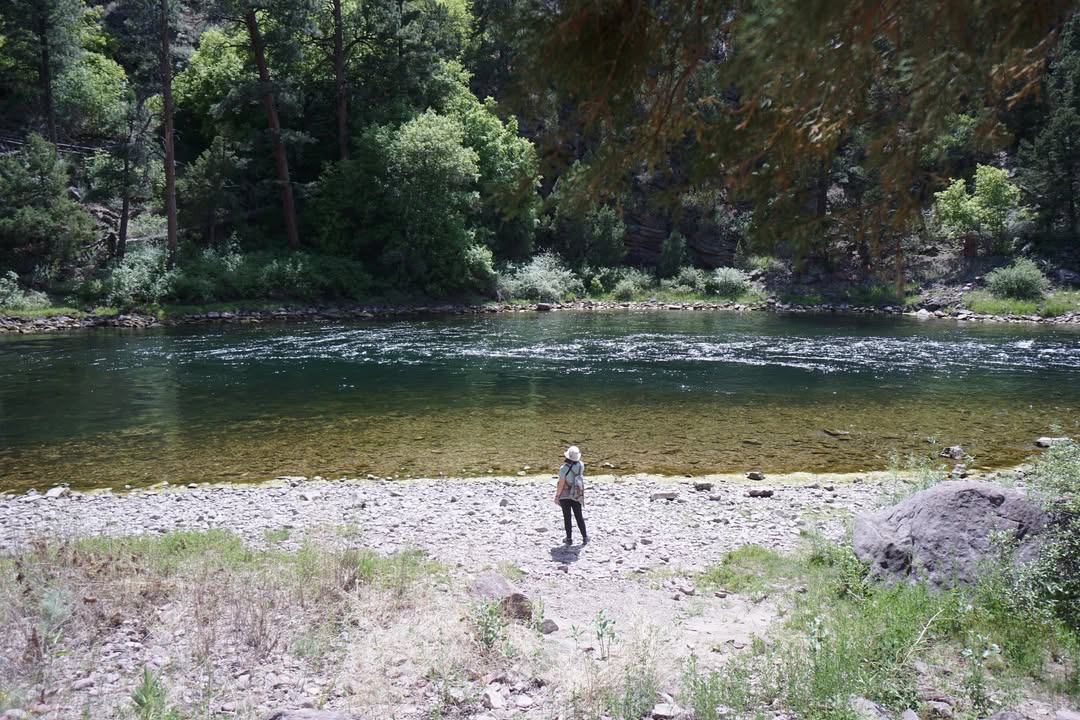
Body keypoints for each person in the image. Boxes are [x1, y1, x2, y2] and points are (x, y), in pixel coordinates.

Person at [554, 445, 588, 545]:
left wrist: (557, 496)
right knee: (579, 516)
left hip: (565, 494)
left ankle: (569, 539)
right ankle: (585, 537)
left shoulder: (563, 469)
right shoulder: (581, 465)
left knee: (567, 516)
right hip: (577, 493)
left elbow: (561, 484)